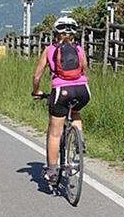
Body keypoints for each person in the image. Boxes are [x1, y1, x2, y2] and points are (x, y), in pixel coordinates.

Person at [31, 16, 90, 186]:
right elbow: (85, 70)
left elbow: (37, 75)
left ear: (56, 33)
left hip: (60, 91)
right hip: (83, 91)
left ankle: (52, 171)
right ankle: (79, 140)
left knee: (55, 132)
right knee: (76, 111)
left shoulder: (49, 50)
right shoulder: (79, 49)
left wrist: (36, 91)